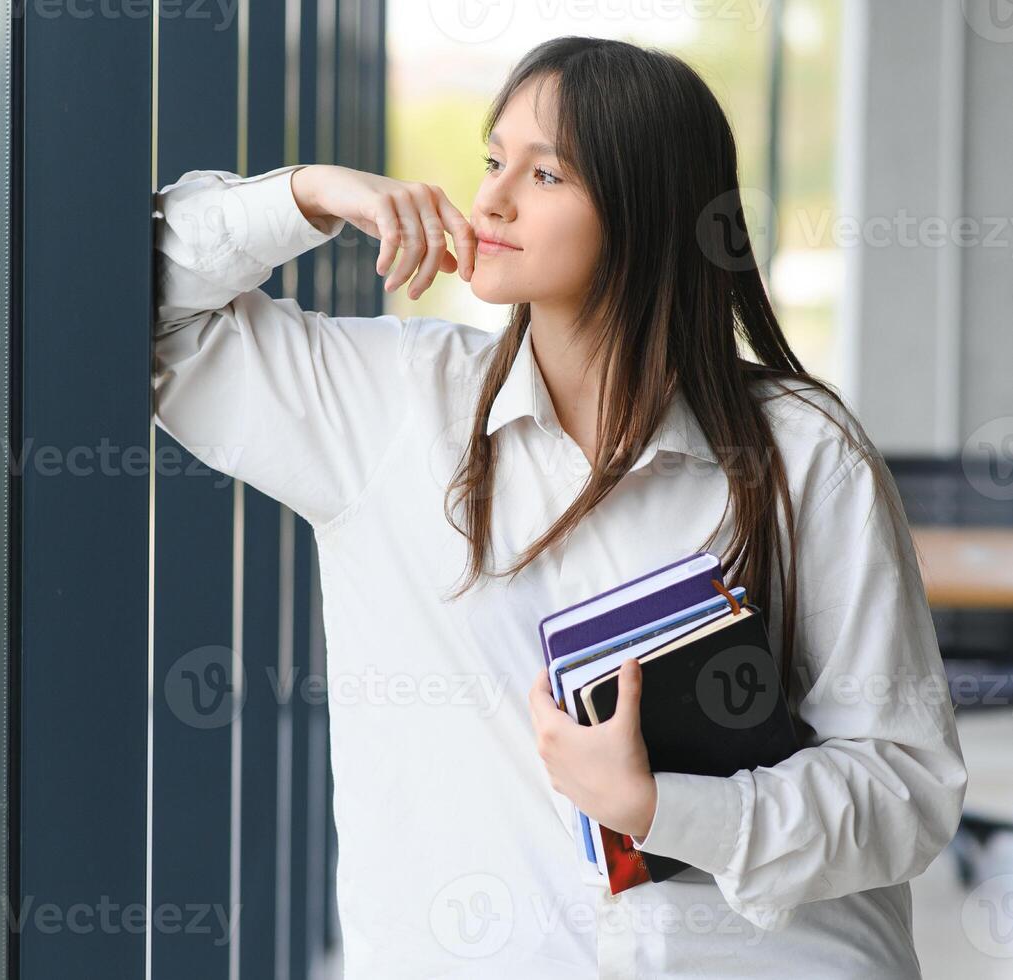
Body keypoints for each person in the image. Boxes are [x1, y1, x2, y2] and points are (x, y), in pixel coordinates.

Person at [152, 34, 966, 979]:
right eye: (495, 160)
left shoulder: (800, 452)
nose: (489, 198)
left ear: (646, 211)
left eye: (546, 175)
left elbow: (905, 786)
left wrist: (663, 810)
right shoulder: (388, 410)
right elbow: (132, 302)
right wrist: (310, 194)